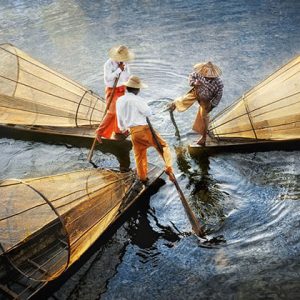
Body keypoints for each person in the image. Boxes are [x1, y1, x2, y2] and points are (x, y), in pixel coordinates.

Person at [116, 75, 174, 184]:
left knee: (139, 155)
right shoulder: (138, 99)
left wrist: (123, 128)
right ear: (137, 89)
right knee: (163, 146)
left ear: (127, 88)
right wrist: (150, 111)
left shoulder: (119, 101)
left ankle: (142, 178)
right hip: (145, 130)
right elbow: (148, 113)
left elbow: (120, 121)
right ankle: (169, 168)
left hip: (133, 132)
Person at [169, 61, 223, 146]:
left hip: (206, 100)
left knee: (204, 118)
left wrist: (212, 106)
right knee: (181, 101)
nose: (208, 78)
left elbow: (218, 96)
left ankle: (204, 137)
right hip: (196, 92)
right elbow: (191, 76)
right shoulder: (199, 73)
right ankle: (173, 105)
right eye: (206, 76)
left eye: (210, 77)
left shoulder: (218, 83)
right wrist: (194, 83)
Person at [95, 45, 134, 143]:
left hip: (122, 89)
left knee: (120, 111)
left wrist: (130, 81)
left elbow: (127, 76)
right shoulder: (108, 64)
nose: (123, 60)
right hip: (112, 90)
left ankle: (119, 130)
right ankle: (99, 132)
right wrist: (119, 70)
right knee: (112, 112)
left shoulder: (124, 63)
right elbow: (107, 79)